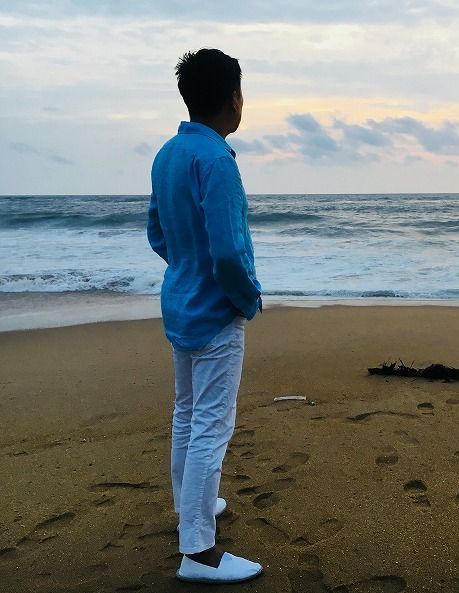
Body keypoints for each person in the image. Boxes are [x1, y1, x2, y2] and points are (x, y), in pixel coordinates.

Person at [147, 48, 263, 584]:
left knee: (187, 414)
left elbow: (157, 231)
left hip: (180, 302)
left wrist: (186, 269)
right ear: (233, 98)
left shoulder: (168, 153)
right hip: (215, 312)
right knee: (211, 426)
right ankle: (197, 551)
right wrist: (247, 297)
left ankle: (191, 505)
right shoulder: (217, 161)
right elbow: (228, 251)